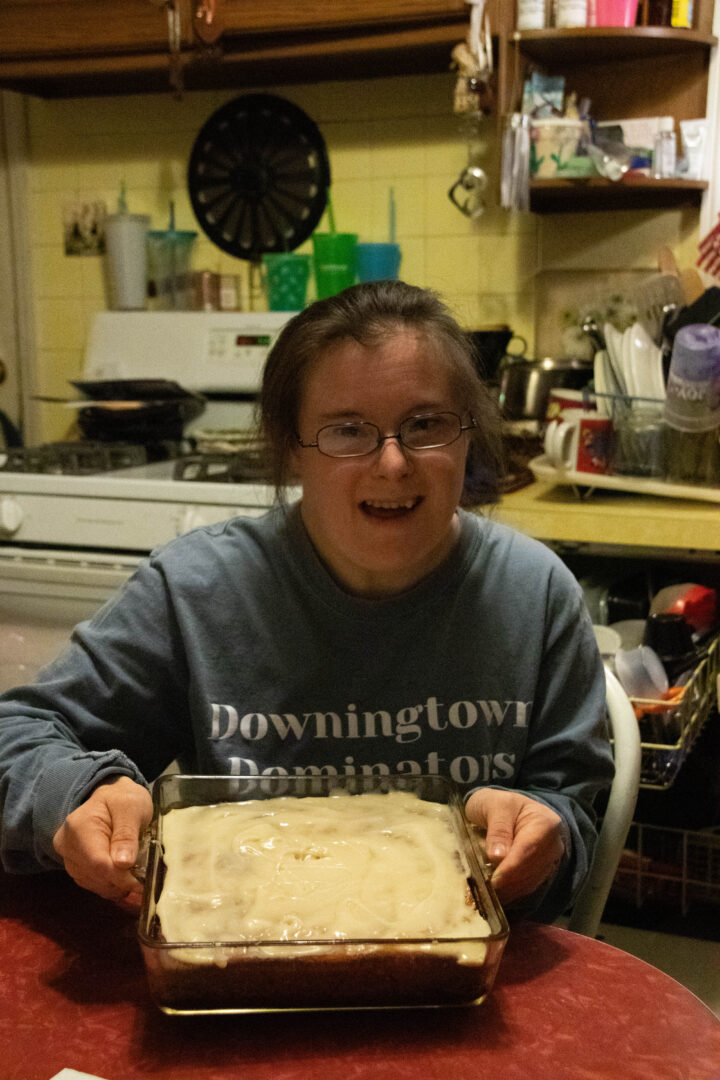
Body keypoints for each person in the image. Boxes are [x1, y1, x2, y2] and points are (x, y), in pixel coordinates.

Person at [0, 280, 613, 920]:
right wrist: (79, 793)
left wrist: (548, 832)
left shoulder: (538, 595)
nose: (394, 463)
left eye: (425, 424)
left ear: (468, 434)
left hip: (460, 979)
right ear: (293, 447)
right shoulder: (197, 592)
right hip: (243, 963)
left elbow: (575, 818)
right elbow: (16, 735)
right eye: (348, 430)